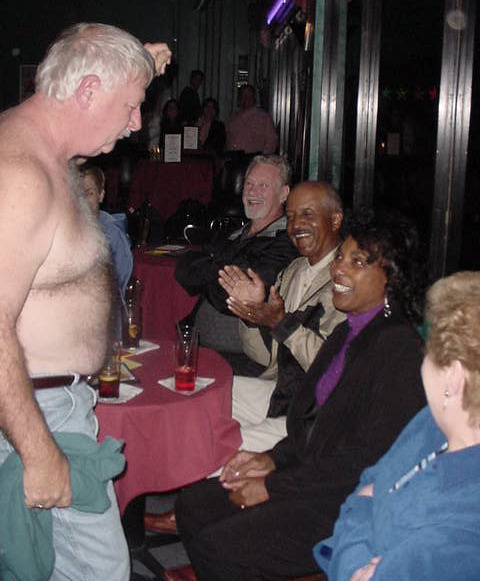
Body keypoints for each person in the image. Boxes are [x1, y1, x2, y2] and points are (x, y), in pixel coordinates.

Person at [0, 22, 171, 580]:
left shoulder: (49, 152)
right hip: (34, 415)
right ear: (89, 90)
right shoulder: (21, 173)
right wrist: (38, 451)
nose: (136, 122)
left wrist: (138, 66)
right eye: (131, 105)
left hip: (55, 406)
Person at [174, 209, 427, 580]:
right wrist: (272, 459)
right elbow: (314, 426)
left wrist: (273, 486)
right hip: (312, 478)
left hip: (349, 502)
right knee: (193, 505)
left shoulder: (400, 348)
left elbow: (369, 460)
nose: (339, 269)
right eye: (340, 258)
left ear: (392, 277)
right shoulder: (347, 333)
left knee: (220, 544)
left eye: (357, 262)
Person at [314, 270, 480, 581]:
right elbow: (368, 480)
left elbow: (366, 496)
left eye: (428, 351)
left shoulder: (464, 523)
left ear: (453, 377)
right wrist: (365, 504)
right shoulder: (431, 423)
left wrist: (366, 506)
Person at [218, 181, 346, 452]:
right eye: (290, 216)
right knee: (204, 396)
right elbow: (266, 358)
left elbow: (332, 368)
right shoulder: (293, 270)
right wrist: (252, 314)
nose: (296, 224)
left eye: (308, 214)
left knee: (221, 444)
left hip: (316, 408)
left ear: (335, 220)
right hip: (281, 389)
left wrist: (281, 324)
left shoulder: (348, 281)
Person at [175, 154, 298, 356]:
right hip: (201, 343)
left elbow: (231, 298)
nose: (253, 191)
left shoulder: (286, 242)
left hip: (240, 355)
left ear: (284, 193)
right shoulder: (234, 234)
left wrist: (211, 269)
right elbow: (184, 268)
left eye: (263, 185)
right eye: (249, 183)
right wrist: (222, 271)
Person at [81, 165, 133, 296]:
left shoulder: (112, 234)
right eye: (78, 193)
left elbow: (118, 280)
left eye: (89, 193)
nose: (83, 200)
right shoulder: (66, 230)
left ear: (101, 195)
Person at [226, 84, 278, 155]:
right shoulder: (233, 118)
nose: (246, 98)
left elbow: (272, 140)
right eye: (243, 95)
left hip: (254, 159)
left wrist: (263, 158)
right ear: (239, 98)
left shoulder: (264, 117)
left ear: (254, 97)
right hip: (233, 158)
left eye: (249, 95)